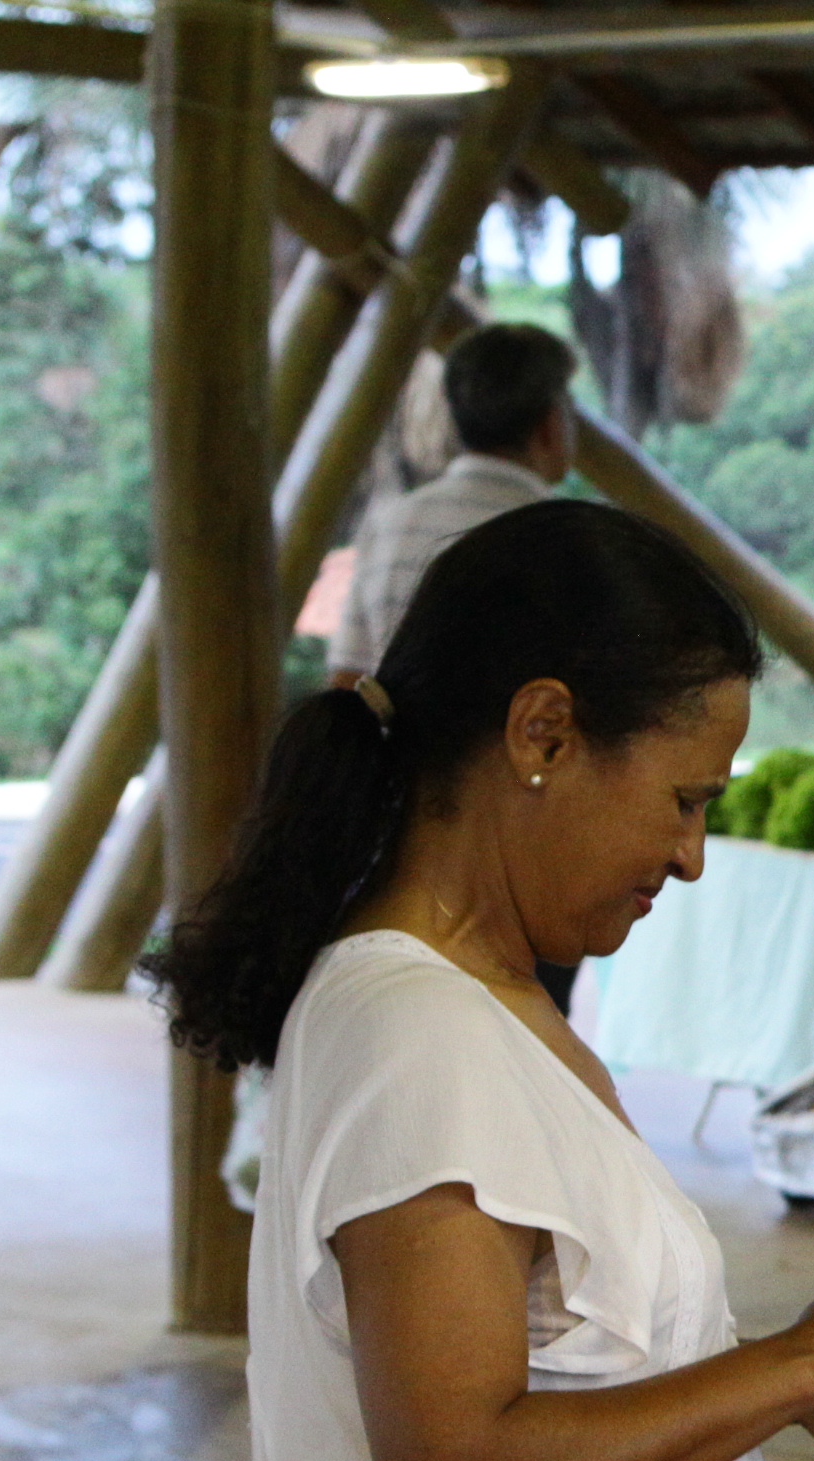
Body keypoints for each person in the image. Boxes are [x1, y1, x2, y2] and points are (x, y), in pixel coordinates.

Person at [148, 503, 814, 1461]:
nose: (689, 857)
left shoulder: (494, 1000)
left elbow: (560, 1376)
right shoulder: (414, 1029)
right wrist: (791, 1371)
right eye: (684, 800)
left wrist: (772, 1386)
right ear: (543, 734)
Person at [330, 321, 585, 1009]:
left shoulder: (391, 523)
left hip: (404, 832)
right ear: (549, 422)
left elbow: (347, 683)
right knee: (522, 1025)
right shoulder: (565, 538)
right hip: (524, 839)